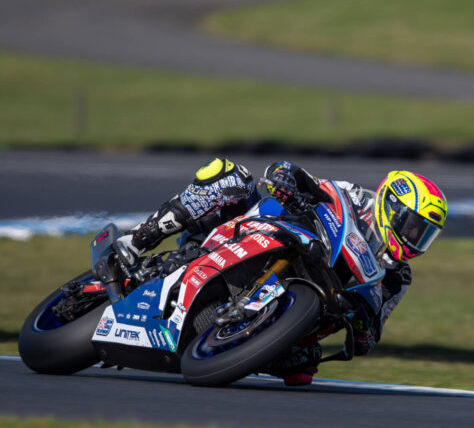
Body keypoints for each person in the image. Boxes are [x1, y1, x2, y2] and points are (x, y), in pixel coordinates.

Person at [116, 158, 448, 386]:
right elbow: (296, 175)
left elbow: (370, 337)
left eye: (425, 235)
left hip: (309, 291)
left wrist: (362, 324)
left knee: (303, 369)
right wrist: (286, 180)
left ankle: (246, 341)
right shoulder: (354, 196)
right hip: (265, 232)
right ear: (392, 206)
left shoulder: (397, 277)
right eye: (413, 227)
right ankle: (138, 239)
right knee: (231, 176)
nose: (415, 239)